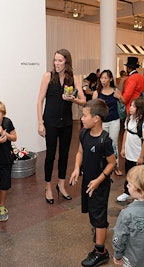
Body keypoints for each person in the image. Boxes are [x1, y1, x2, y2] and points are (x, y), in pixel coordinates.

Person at [69, 98, 116, 267]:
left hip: (99, 184)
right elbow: (80, 152)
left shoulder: (105, 141)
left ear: (96, 118)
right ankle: (99, 230)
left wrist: (98, 180)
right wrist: (76, 169)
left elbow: (112, 163)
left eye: (85, 115)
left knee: (99, 217)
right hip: (88, 182)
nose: (82, 118)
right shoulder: (83, 133)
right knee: (93, 213)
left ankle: (100, 252)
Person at [37, 48, 86, 204]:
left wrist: (73, 100)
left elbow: (83, 100)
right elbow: (40, 101)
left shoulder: (74, 78)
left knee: (64, 155)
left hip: (66, 122)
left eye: (60, 60)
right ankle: (48, 187)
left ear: (67, 62)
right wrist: (40, 122)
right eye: (55, 60)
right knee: (50, 155)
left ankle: (61, 185)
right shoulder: (48, 76)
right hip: (50, 122)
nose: (56, 63)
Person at [117, 97, 144, 202]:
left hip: (138, 155)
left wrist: (141, 157)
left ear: (140, 109)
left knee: (139, 176)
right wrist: (123, 148)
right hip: (129, 153)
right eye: (131, 105)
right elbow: (126, 133)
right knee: (129, 173)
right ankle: (127, 192)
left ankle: (139, 194)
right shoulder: (129, 119)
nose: (130, 108)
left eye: (133, 106)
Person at [93, 69, 123, 176]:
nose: (103, 80)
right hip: (102, 122)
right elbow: (93, 107)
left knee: (114, 143)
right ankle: (102, 165)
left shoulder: (115, 91)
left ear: (110, 79)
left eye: (105, 78)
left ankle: (116, 166)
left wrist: (119, 97)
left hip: (114, 120)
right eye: (102, 78)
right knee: (101, 143)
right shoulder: (97, 93)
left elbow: (123, 102)